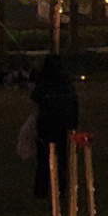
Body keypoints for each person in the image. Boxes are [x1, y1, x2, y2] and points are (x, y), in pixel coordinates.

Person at [31, 54, 79, 199]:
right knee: (62, 158)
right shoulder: (64, 82)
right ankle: (63, 188)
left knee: (45, 159)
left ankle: (42, 189)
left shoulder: (45, 82)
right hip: (63, 126)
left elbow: (35, 96)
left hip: (48, 127)